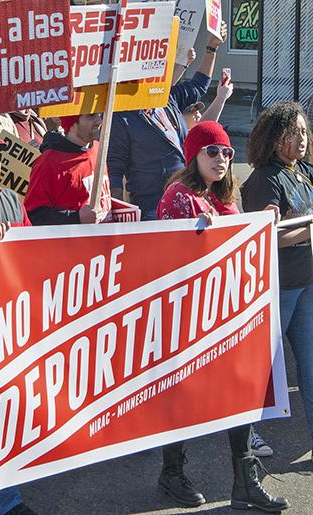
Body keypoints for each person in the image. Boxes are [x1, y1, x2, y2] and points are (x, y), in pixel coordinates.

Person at [156, 121, 289, 512]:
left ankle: (245, 480)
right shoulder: (179, 195)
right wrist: (201, 235)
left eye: (228, 153)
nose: (221, 159)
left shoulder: (223, 199)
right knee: (183, 398)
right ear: (193, 155)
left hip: (226, 315)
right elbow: (167, 255)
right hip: (189, 318)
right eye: (212, 151)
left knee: (240, 395)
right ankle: (171, 473)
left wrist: (259, 224)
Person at [242, 101, 313, 460]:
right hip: (278, 286)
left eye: (304, 131)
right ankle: (245, 433)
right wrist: (307, 232)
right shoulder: (263, 179)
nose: (301, 138)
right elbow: (263, 236)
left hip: (307, 285)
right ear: (273, 138)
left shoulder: (302, 171)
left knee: (311, 364)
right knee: (261, 366)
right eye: (293, 132)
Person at [108, 23, 227, 220]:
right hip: (153, 212)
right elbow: (115, 170)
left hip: (188, 202)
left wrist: (211, 48)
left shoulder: (166, 98)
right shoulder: (122, 115)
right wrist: (116, 221)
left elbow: (198, 86)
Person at [25, 114, 112, 225]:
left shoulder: (99, 148)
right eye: (91, 116)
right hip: (73, 240)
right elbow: (35, 216)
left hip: (105, 238)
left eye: (99, 114)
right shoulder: (48, 163)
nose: (99, 121)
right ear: (73, 123)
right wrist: (76, 217)